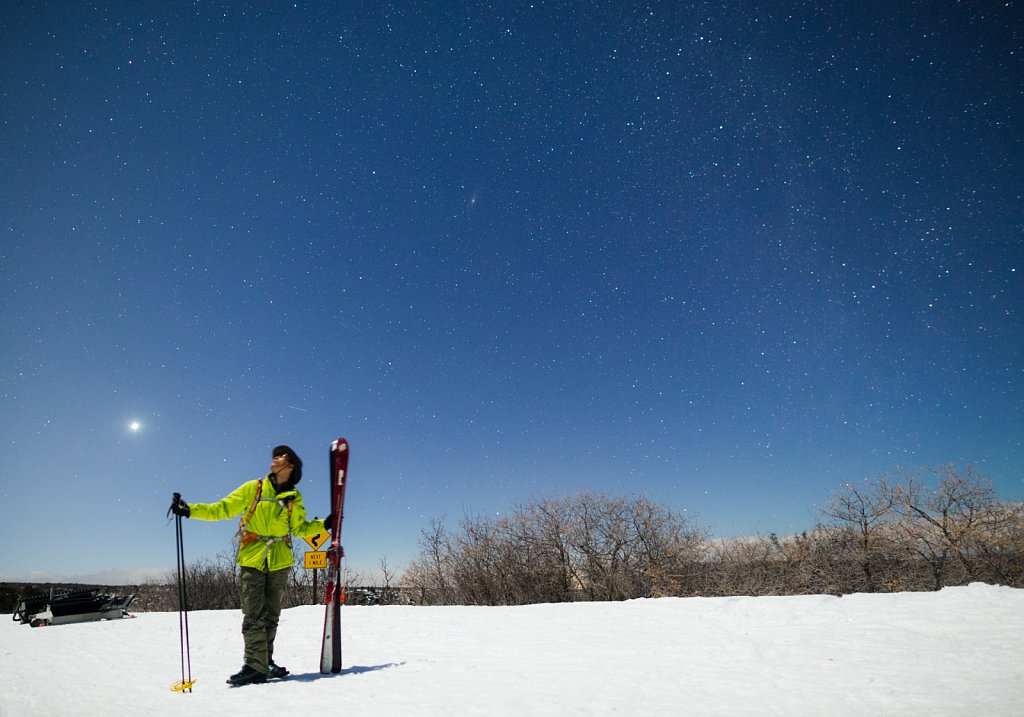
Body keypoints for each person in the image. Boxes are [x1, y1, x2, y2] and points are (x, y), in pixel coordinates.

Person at [169, 445, 333, 686]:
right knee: (253, 615)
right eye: (275, 455)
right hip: (252, 559)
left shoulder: (294, 498)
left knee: (271, 616)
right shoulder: (253, 489)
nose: (275, 458)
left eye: (281, 456)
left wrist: (324, 524)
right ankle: (254, 667)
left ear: (291, 466)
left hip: (280, 561)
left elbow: (299, 529)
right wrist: (190, 510)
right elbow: (222, 509)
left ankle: (265, 661)